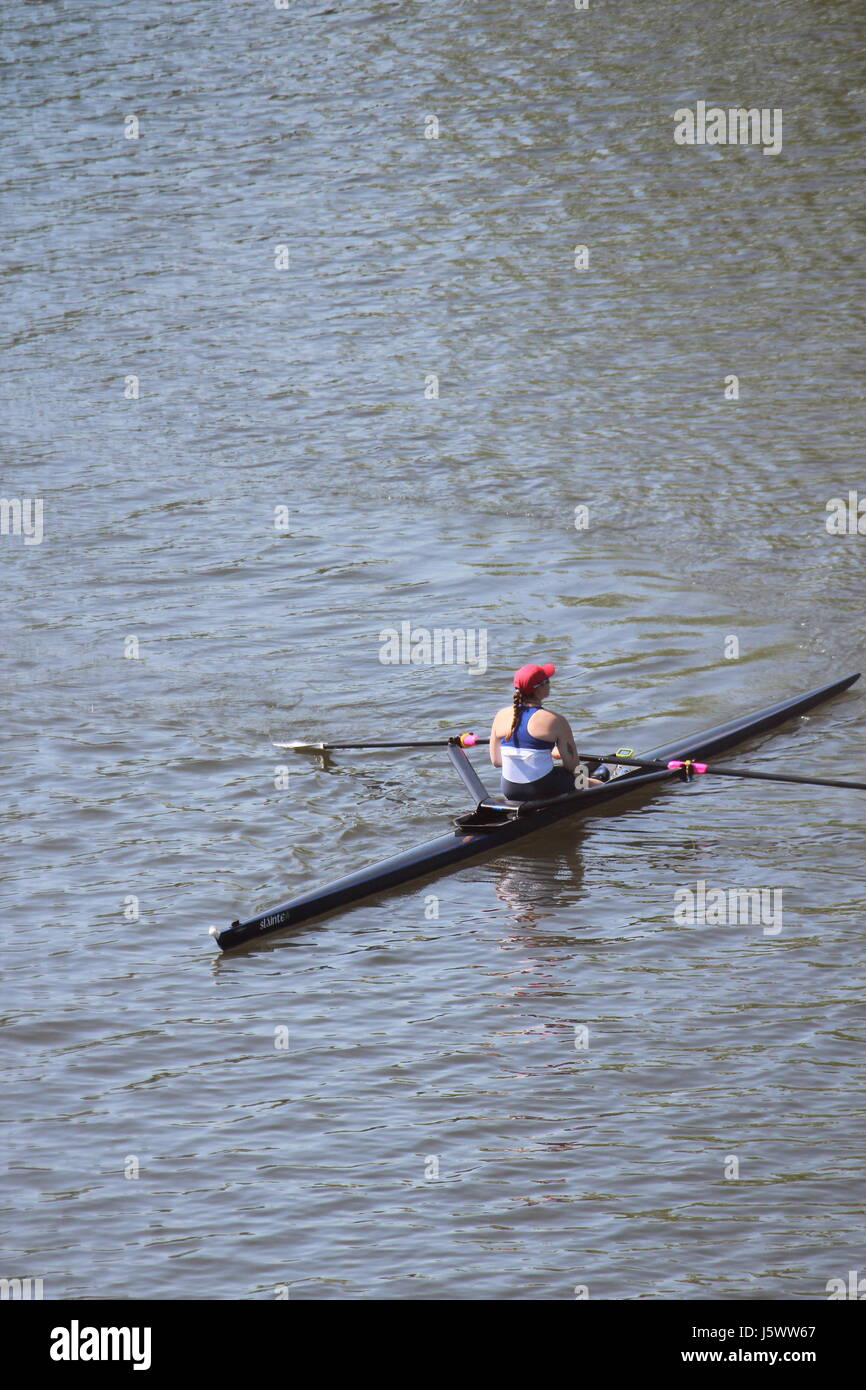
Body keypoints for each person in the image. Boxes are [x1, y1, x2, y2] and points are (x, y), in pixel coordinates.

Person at [489, 662, 608, 802]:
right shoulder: (555, 720)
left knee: (555, 774)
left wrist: (541, 754)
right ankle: (603, 786)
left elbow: (496, 761)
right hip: (541, 788)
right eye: (548, 681)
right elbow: (573, 767)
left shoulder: (500, 715)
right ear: (539, 689)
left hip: (509, 789)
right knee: (587, 781)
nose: (550, 685)